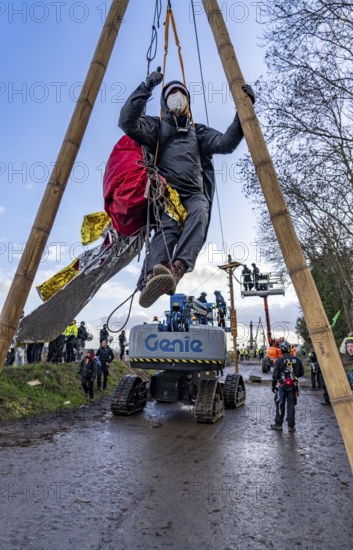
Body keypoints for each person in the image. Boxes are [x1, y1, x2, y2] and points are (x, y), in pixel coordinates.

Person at [119, 71, 255, 308]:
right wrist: (146, 86)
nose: (177, 97)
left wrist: (242, 112)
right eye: (171, 93)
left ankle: (177, 268)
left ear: (188, 101)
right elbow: (127, 122)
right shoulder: (155, 127)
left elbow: (225, 143)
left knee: (200, 212)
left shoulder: (198, 132)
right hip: (167, 193)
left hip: (193, 193)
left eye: (181, 93)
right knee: (168, 227)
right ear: (164, 101)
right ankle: (151, 277)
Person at [271, 341, 304, 432]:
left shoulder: (279, 361)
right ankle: (291, 426)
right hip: (293, 386)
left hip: (281, 386)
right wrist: (293, 376)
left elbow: (275, 375)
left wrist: (273, 385)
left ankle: (278, 425)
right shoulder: (297, 360)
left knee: (280, 404)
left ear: (281, 350)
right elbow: (301, 373)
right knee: (291, 405)